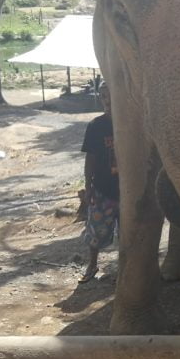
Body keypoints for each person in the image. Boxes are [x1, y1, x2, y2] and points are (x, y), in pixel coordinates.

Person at [79, 82, 119, 282]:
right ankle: (92, 265)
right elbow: (91, 158)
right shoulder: (96, 126)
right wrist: (88, 185)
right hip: (103, 188)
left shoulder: (130, 123)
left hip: (128, 190)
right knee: (95, 230)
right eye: (103, 96)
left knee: (129, 233)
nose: (107, 100)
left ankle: (128, 266)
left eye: (110, 95)